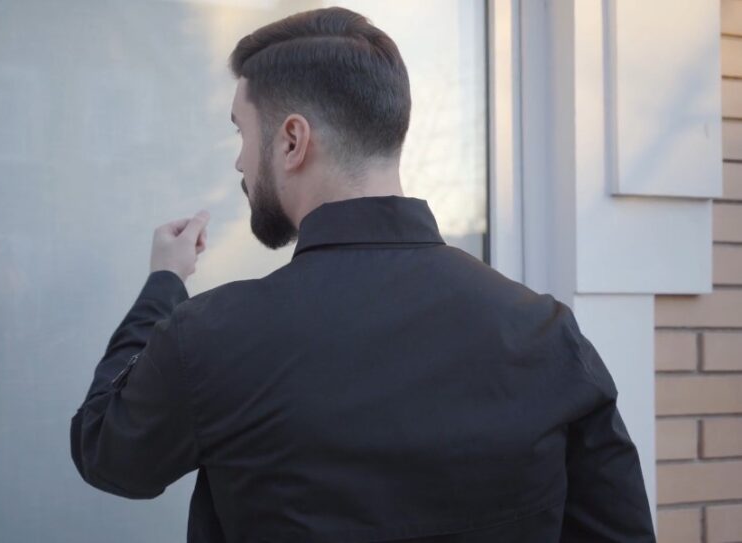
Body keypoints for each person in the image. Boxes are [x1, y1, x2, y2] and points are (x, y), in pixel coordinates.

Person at [70, 6, 655, 542]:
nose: (240, 160)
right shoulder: (545, 335)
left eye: (241, 132)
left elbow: (108, 451)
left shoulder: (212, 336)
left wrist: (163, 288)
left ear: (292, 140)